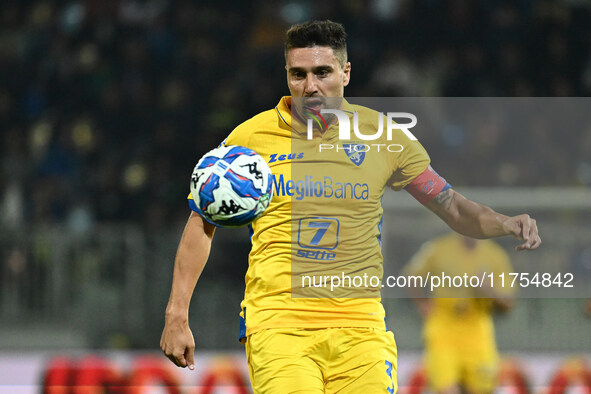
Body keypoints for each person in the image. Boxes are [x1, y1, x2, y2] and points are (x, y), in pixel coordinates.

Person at [160, 20, 541, 393]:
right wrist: (177, 314)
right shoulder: (249, 138)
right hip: (279, 326)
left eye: (322, 72)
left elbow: (452, 208)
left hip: (362, 329)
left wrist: (505, 222)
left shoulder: (385, 137)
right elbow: (201, 223)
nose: (310, 87)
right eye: (298, 74)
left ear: (345, 73)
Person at [404, 233, 516, 393]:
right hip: (444, 327)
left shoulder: (495, 256)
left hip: (477, 328)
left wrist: (488, 290)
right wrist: (423, 303)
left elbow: (508, 303)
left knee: (482, 388)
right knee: (446, 388)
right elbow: (412, 274)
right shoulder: (438, 248)